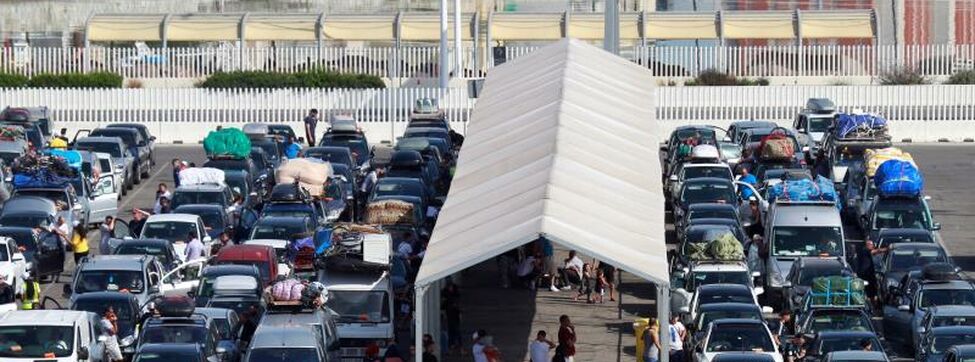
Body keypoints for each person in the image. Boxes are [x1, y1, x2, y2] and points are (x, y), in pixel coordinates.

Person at [442, 281, 462, 356]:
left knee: (456, 331)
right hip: (451, 315)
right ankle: (453, 346)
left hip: (453, 315)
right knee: (453, 331)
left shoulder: (451, 297)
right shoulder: (450, 297)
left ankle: (454, 346)